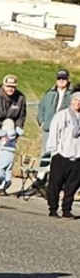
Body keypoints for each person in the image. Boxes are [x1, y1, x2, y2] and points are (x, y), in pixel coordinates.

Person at [45, 91, 80, 219]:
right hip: (61, 154)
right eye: (75, 100)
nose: (78, 103)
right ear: (71, 101)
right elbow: (54, 133)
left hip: (77, 156)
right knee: (55, 183)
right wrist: (54, 151)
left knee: (72, 185)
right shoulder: (62, 115)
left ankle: (67, 209)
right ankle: (53, 208)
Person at [37, 70, 72, 158]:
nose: (61, 80)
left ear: (68, 80)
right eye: (59, 78)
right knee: (46, 153)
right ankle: (45, 166)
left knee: (61, 154)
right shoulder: (49, 93)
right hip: (48, 129)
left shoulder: (72, 94)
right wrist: (41, 121)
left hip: (65, 130)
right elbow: (41, 107)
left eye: (64, 78)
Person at [0, 119, 19, 194]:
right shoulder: (14, 134)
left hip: (4, 151)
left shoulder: (4, 133)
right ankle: (8, 180)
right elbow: (20, 131)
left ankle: (0, 179)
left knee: (1, 167)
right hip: (12, 152)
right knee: (8, 169)